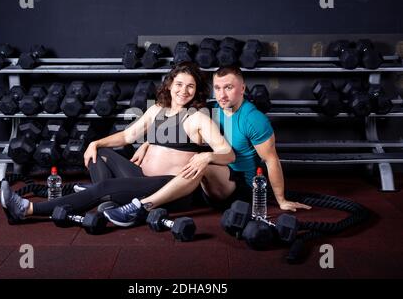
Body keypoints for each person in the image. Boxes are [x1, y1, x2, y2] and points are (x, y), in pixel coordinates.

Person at [0, 62, 235, 226]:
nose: (184, 91)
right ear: (170, 85)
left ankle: (27, 209)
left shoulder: (199, 118)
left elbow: (227, 153)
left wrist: (207, 156)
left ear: (196, 91)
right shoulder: (156, 110)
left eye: (190, 86)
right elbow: (127, 136)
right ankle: (109, 200)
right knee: (99, 152)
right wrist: (94, 142)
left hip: (169, 190)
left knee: (104, 187)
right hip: (142, 177)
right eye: (179, 84)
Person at [103, 65, 310, 227]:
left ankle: (143, 206)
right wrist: (148, 143)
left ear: (242, 88)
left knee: (201, 163)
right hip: (207, 187)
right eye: (218, 88)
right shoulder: (211, 109)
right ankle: (128, 200)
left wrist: (281, 200)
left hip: (239, 188)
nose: (222, 95)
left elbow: (271, 159)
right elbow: (177, 127)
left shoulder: (253, 119)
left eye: (229, 87)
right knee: (197, 163)